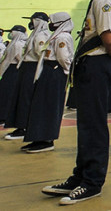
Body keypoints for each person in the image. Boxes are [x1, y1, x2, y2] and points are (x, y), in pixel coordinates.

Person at [41, 0, 111, 203]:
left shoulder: (105, 1)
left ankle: (92, 181)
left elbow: (108, 38)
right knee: (87, 124)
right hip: (94, 65)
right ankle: (80, 176)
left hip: (99, 64)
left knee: (94, 125)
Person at [21, 12, 73, 153]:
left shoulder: (63, 36)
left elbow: (63, 57)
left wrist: (66, 72)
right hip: (49, 71)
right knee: (41, 106)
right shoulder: (57, 35)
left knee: (49, 106)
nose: (50, 23)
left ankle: (47, 139)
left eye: (52, 21)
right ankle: (39, 137)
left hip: (55, 72)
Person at [4, 11, 51, 140]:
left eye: (33, 20)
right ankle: (21, 125)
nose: (30, 23)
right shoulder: (35, 35)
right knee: (22, 98)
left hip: (32, 68)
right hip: (27, 68)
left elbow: (39, 53)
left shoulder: (41, 36)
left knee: (26, 99)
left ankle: (24, 127)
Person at [0, 26, 27, 126]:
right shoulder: (14, 43)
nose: (10, 34)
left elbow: (20, 58)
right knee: (4, 93)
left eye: (12, 32)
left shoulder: (18, 44)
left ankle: (4, 116)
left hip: (13, 70)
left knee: (7, 94)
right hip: (9, 70)